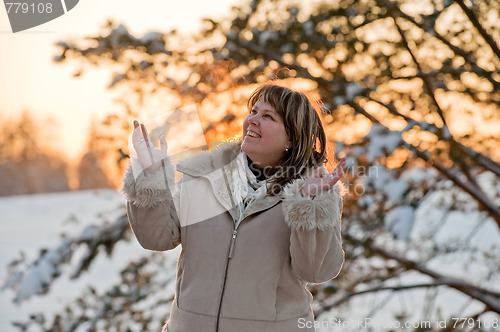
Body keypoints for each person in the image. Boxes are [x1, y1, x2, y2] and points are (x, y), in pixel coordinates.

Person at [121, 82, 346, 332]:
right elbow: (156, 238)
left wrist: (308, 206)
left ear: (292, 138)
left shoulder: (313, 192)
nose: (253, 120)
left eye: (268, 116)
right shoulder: (203, 176)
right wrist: (150, 177)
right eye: (254, 112)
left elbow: (317, 271)